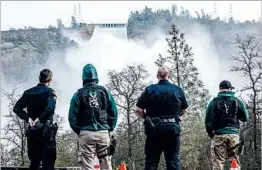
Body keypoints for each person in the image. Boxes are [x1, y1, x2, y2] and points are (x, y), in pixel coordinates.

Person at [136, 67, 189, 170]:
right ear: (169, 76)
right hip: (172, 130)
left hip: (154, 129)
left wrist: (147, 118)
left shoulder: (150, 89)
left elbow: (138, 109)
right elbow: (184, 109)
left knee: (151, 161)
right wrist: (176, 117)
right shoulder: (177, 89)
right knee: (173, 160)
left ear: (157, 76)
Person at [68, 64, 118, 170]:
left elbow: (72, 117)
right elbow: (114, 112)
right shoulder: (105, 92)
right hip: (103, 133)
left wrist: (80, 131)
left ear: (83, 77)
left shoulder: (78, 94)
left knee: (86, 166)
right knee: (106, 165)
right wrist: (109, 128)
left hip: (86, 133)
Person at [13, 69, 58, 170]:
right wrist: (40, 118)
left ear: (39, 78)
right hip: (46, 132)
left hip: (33, 131)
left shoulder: (28, 92)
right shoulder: (50, 92)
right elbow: (50, 108)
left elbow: (16, 108)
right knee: (48, 163)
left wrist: (27, 118)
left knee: (34, 162)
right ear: (50, 80)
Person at [205, 80, 249, 170]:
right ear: (229, 89)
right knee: (234, 162)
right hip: (234, 135)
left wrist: (211, 135)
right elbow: (245, 118)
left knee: (218, 162)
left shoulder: (214, 102)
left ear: (219, 89)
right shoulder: (237, 101)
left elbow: (207, 121)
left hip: (218, 135)